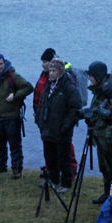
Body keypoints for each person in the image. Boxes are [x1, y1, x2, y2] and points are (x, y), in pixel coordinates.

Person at [35, 57, 82, 192]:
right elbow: (42, 104)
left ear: (61, 71)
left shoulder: (69, 87)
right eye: (50, 70)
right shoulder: (48, 85)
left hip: (62, 131)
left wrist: (65, 127)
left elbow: (75, 109)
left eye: (54, 70)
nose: (51, 73)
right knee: (50, 157)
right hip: (47, 129)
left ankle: (66, 183)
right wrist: (39, 121)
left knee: (64, 158)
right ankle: (53, 179)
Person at [0, 54, 32, 179]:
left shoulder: (13, 76)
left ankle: (16, 169)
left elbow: (29, 87)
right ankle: (0, 165)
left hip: (12, 117)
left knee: (15, 145)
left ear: (4, 63)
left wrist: (15, 95)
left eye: (0, 64)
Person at [84, 61, 112, 204]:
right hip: (100, 133)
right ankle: (107, 193)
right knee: (104, 167)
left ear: (98, 76)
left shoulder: (109, 90)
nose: (89, 78)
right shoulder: (98, 88)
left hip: (108, 136)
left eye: (91, 75)